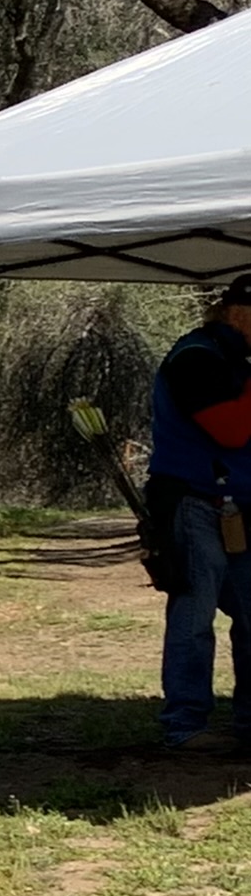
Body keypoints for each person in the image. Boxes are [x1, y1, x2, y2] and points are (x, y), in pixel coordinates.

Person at [147, 274, 251, 753]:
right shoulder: (197, 358)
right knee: (194, 614)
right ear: (237, 314)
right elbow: (230, 430)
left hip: (238, 504)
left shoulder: (232, 358)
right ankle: (186, 723)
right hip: (193, 501)